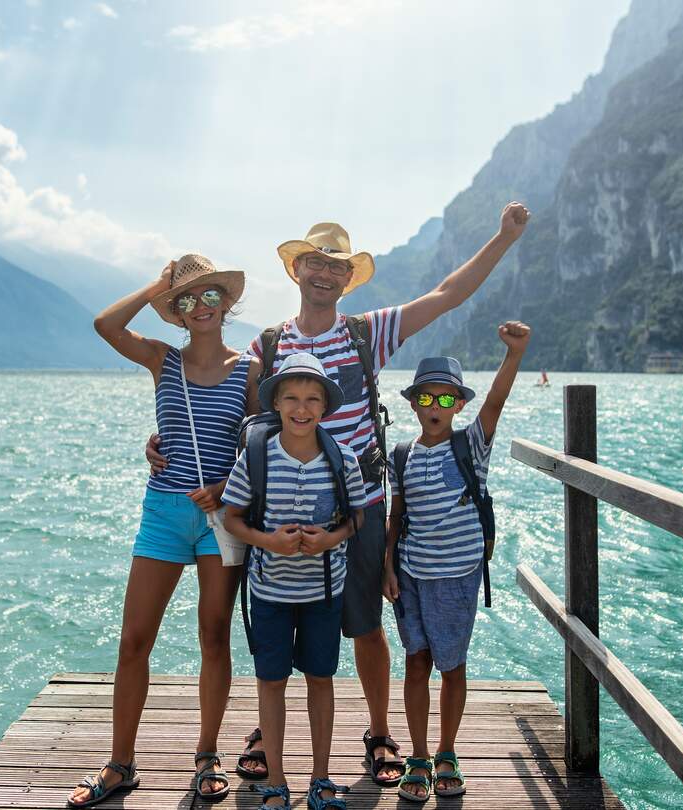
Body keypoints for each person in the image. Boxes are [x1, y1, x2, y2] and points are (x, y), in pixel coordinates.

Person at [147, 203, 530, 783]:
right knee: (271, 614)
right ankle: (264, 730)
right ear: (296, 269)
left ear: (347, 279)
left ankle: (379, 732)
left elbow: (450, 293)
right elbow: (232, 413)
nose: (325, 274)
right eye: (314, 263)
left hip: (361, 502)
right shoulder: (266, 348)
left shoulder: (367, 333)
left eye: (336, 267)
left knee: (366, 623)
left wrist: (503, 236)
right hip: (281, 506)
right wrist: (164, 442)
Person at [68, 255, 250, 808]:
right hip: (163, 514)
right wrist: (160, 285)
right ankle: (120, 764)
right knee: (133, 641)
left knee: (214, 639)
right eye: (188, 300)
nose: (200, 307)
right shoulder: (162, 361)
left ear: (226, 301)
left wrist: (227, 486)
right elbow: (106, 326)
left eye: (209, 295)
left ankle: (206, 755)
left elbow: (263, 444)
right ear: (177, 311)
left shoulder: (250, 370)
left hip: (221, 519)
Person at [382, 322, 530, 803]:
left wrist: (514, 354)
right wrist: (387, 565)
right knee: (416, 661)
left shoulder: (471, 446)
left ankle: (447, 751)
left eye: (447, 401)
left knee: (452, 665)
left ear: (460, 406)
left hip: (458, 575)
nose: (436, 408)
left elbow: (498, 402)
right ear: (413, 403)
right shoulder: (401, 455)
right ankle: (420, 756)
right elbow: (396, 513)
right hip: (411, 574)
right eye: (428, 399)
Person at [221, 353, 366, 810]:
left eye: (311, 400)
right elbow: (231, 517)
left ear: (324, 407)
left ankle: (321, 777)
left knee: (321, 679)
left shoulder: (343, 459)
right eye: (292, 399)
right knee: (272, 683)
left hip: (325, 591)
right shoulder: (257, 457)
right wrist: (268, 541)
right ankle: (277, 782)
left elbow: (357, 518)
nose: (301, 409)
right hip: (269, 593)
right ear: (277, 404)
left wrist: (330, 539)